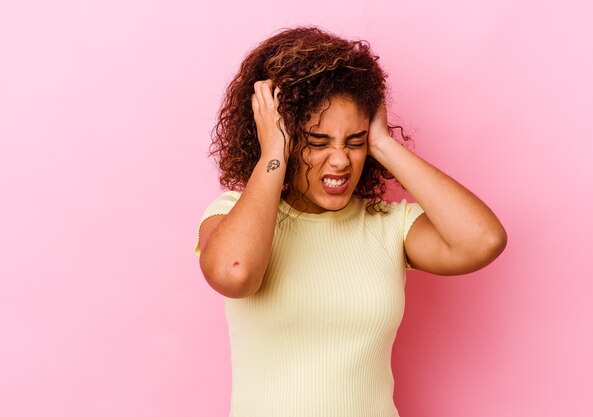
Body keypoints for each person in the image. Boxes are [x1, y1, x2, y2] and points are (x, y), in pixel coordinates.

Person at [193, 26, 507, 417]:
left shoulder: (388, 226)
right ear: (286, 138)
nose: (341, 160)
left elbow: (482, 240)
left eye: (354, 142)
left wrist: (382, 144)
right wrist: (273, 151)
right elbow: (235, 273)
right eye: (318, 142)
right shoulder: (233, 213)